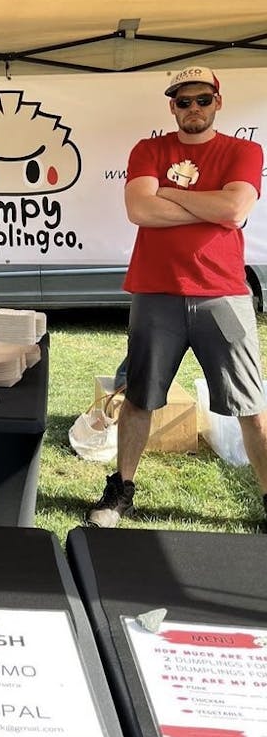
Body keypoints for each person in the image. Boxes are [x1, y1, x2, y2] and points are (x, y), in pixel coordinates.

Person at [87, 66, 267, 529]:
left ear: (218, 102)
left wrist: (170, 193)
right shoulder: (149, 149)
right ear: (172, 106)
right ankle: (121, 490)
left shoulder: (244, 150)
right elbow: (139, 209)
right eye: (183, 102)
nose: (193, 109)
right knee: (140, 399)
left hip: (223, 293)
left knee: (250, 406)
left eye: (201, 100)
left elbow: (235, 208)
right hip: (155, 291)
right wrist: (206, 202)